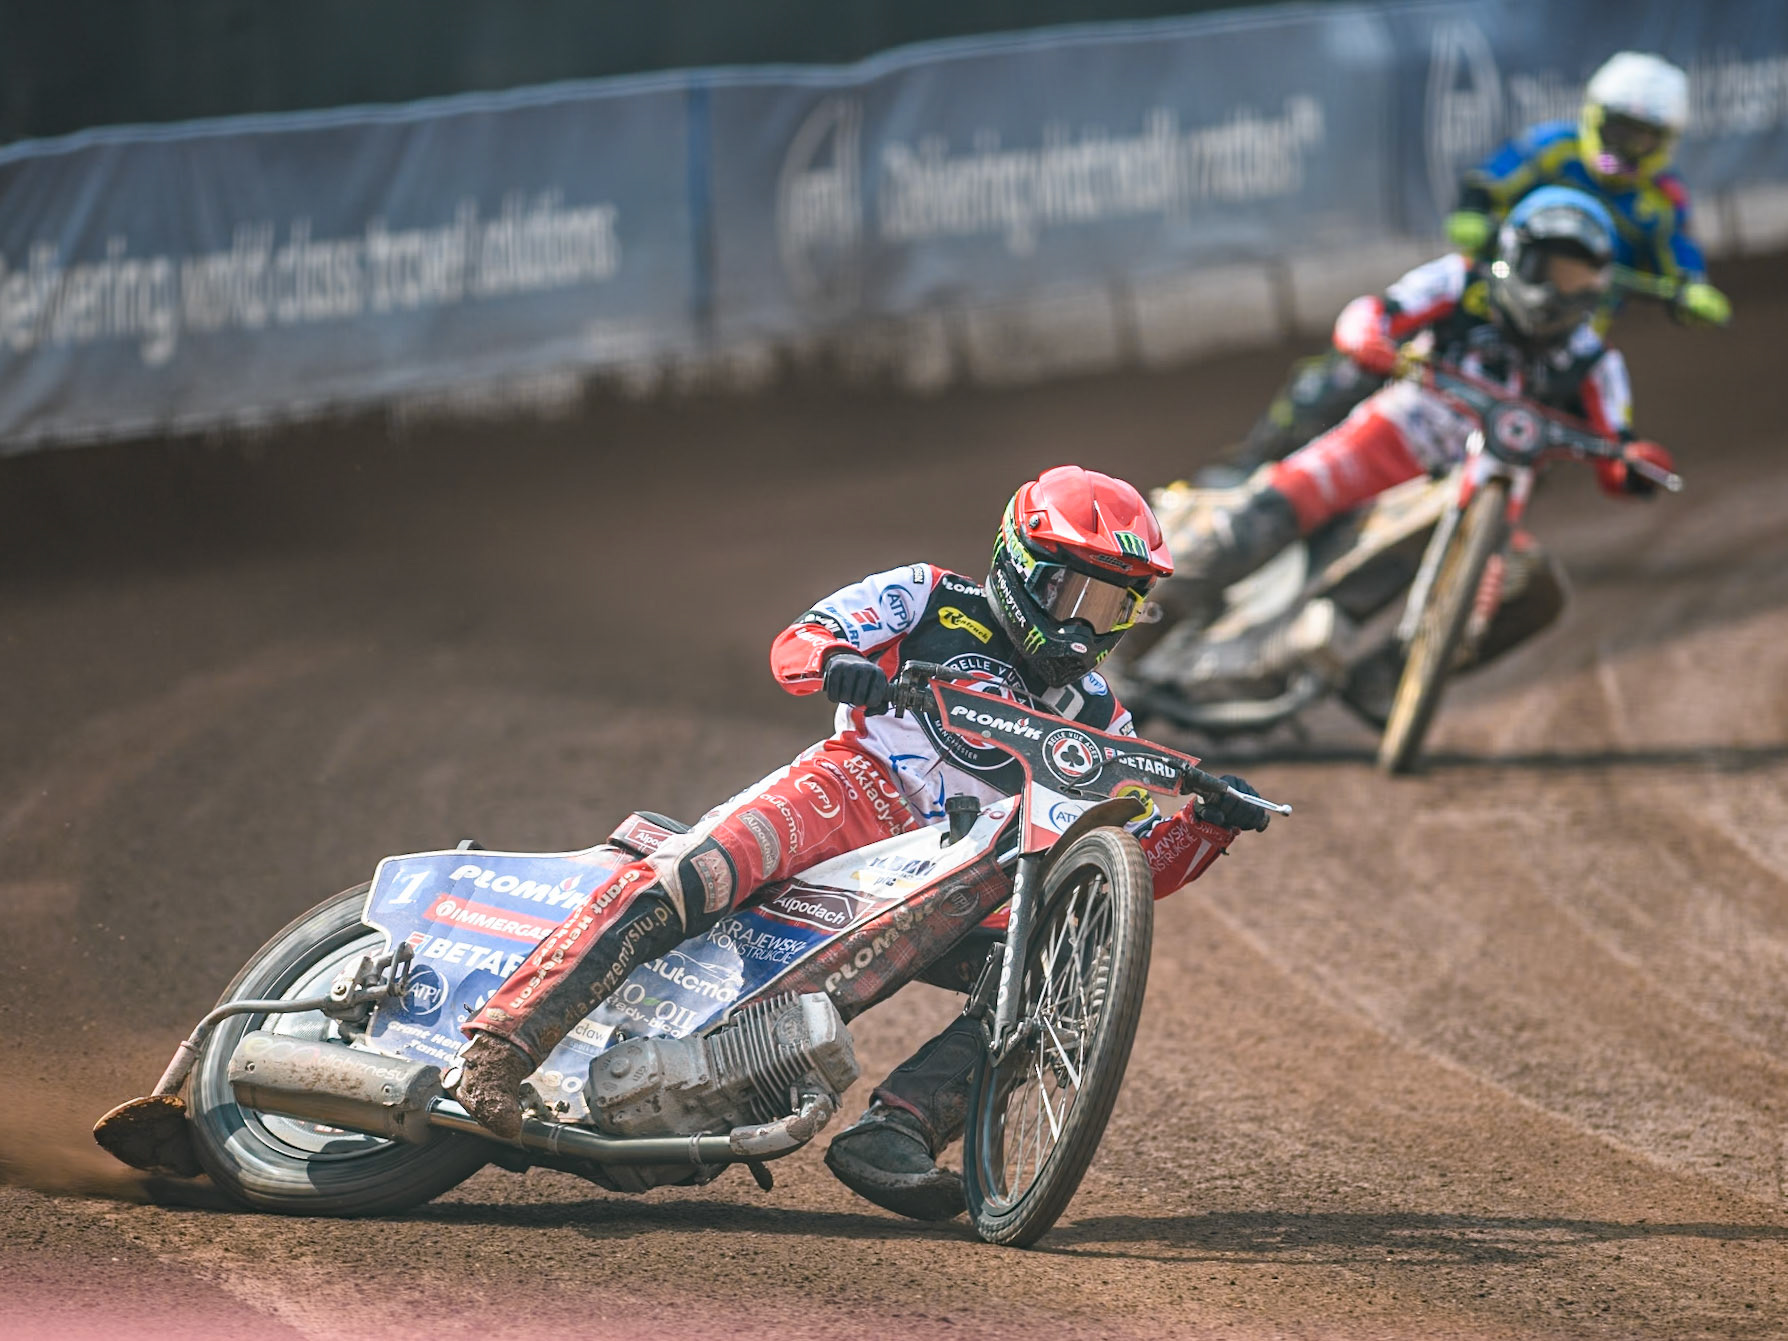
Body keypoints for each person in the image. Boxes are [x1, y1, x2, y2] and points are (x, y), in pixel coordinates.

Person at [454, 466, 1270, 1219]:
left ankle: (897, 1129)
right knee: (694, 873)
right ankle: (505, 1039)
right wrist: (839, 660)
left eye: (1112, 605)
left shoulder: (1100, 715)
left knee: (1055, 979)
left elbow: (1122, 878)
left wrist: (1204, 826)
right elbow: (800, 640)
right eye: (1076, 593)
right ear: (1022, 568)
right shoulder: (929, 595)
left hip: (950, 869)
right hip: (850, 788)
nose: (1087, 624)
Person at [1151, 187, 1675, 694]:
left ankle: (1386, 687)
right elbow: (1374, 312)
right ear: (1518, 256)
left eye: (1579, 277)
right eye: (1555, 270)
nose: (1563, 289)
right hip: (1395, 434)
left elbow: (1618, 446)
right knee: (1277, 503)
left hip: (1479, 491)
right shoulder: (1461, 281)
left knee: (1536, 592)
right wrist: (1369, 340)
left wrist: (1632, 464)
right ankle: (1141, 622)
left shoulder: (1595, 362)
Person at [1219, 51, 1722, 484]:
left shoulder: (1662, 200)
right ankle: (1253, 460)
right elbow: (1486, 185)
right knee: (1357, 363)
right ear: (1593, 117)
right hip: (1485, 301)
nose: (1626, 148)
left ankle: (1486, 522)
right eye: (1619, 130)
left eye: (1643, 138)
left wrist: (1692, 289)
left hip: (1566, 338)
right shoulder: (1551, 148)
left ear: (1666, 142)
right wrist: (1473, 217)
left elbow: (1679, 255)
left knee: (1542, 432)